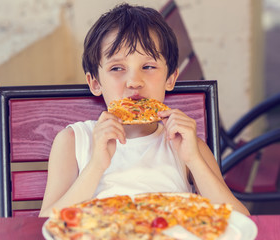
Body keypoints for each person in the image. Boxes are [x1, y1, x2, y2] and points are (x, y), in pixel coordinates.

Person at [39, 3, 249, 217]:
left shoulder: (186, 144)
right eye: (117, 68)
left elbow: (240, 219)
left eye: (148, 67)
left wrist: (193, 159)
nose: (134, 82)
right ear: (95, 83)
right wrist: (96, 166)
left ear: (170, 78)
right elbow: (45, 224)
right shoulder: (74, 141)